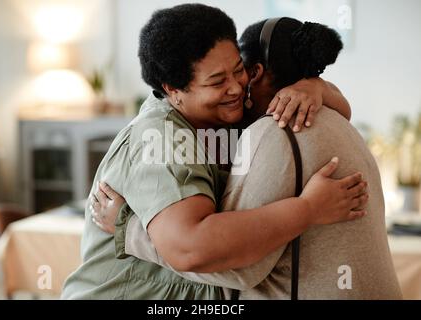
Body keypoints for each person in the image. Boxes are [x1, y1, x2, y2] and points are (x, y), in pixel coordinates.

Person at [61, 5, 367, 300]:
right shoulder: (163, 137)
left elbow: (344, 110)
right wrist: (309, 209)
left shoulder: (228, 116)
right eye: (217, 82)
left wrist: (315, 87)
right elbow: (192, 248)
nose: (235, 88)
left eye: (238, 70)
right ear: (173, 90)